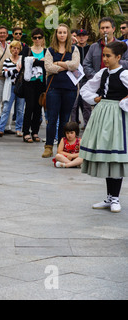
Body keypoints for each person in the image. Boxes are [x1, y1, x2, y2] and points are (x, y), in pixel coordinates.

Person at [79, 41, 128, 213]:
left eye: (108, 56)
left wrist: (124, 102)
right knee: (108, 156)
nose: (105, 59)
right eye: (104, 55)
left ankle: (115, 197)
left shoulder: (124, 74)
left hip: (117, 117)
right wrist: (95, 99)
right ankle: (109, 197)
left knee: (115, 155)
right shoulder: (102, 73)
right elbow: (86, 88)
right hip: (103, 114)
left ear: (118, 57)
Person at [43, 23, 80, 158]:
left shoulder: (74, 49)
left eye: (64, 32)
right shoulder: (50, 50)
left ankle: (61, 147)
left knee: (65, 120)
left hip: (69, 89)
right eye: (60, 32)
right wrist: (66, 66)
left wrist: (58, 63)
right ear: (56, 34)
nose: (62, 35)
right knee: (52, 119)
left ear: (68, 34)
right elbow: (48, 67)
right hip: (54, 88)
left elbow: (75, 65)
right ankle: (48, 146)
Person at [20, 28, 46, 143]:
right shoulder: (27, 50)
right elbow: (25, 64)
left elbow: (47, 65)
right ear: (32, 39)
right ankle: (25, 132)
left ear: (42, 38)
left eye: (39, 37)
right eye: (35, 37)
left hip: (41, 82)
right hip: (29, 82)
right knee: (29, 106)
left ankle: (35, 132)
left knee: (38, 107)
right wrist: (40, 61)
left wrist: (34, 61)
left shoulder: (46, 51)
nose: (37, 39)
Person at [84, 17, 128, 81]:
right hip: (98, 83)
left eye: (107, 27)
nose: (105, 30)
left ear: (113, 29)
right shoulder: (93, 47)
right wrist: (97, 78)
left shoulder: (122, 45)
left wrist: (115, 61)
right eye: (102, 28)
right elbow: (86, 64)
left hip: (118, 83)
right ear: (99, 30)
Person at [0, 40, 25, 137]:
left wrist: (11, 71)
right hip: (10, 86)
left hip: (21, 87)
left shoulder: (22, 60)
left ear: (20, 50)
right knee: (6, 108)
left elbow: (25, 73)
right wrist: (16, 70)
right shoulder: (7, 60)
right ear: (10, 49)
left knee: (20, 109)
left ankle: (18, 129)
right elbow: (5, 74)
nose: (15, 50)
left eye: (17, 48)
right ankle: (1, 129)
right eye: (13, 48)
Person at [71, 29, 92, 129]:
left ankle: (88, 125)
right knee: (73, 105)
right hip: (75, 79)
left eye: (84, 36)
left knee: (87, 105)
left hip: (88, 80)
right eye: (79, 36)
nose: (81, 38)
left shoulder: (91, 48)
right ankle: (73, 126)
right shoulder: (73, 48)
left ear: (87, 37)